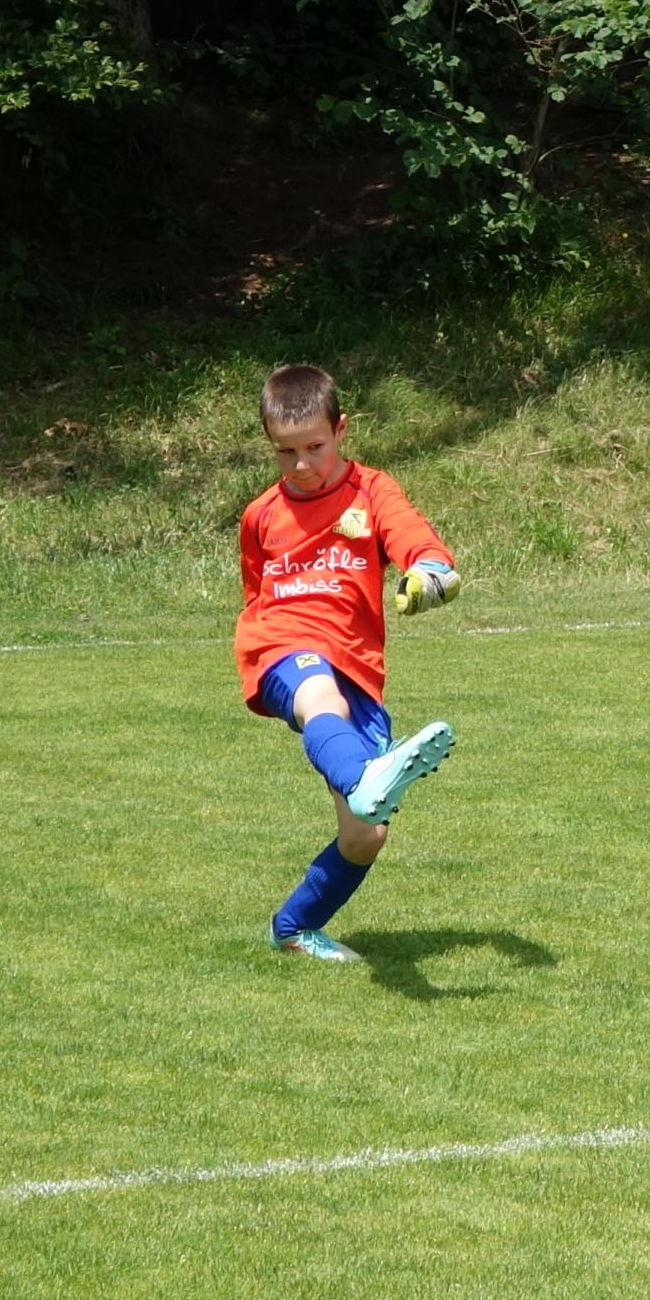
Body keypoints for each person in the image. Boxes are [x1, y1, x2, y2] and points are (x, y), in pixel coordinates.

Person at [235, 361, 463, 963]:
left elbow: (410, 534)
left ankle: (293, 927)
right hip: (284, 648)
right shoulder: (259, 515)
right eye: (286, 452)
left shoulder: (371, 491)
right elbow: (256, 593)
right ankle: (362, 777)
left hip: (354, 666)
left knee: (365, 834)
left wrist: (429, 569)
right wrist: (269, 653)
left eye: (314, 447)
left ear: (341, 430)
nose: (301, 464)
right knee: (320, 697)